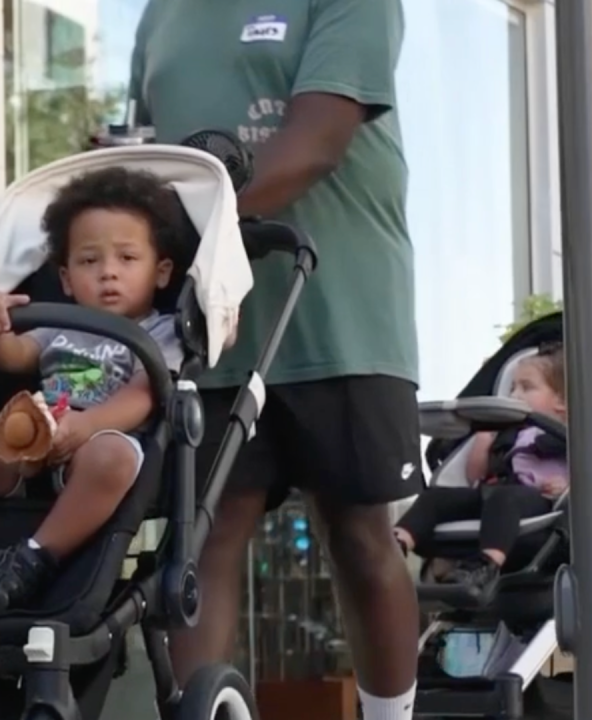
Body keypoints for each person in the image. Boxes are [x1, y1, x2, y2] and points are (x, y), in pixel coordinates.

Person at [128, 1, 423, 718]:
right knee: (206, 529)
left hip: (340, 308)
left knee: (357, 532)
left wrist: (195, 233)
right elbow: (145, 151)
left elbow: (318, 140)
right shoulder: (161, 14)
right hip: (217, 321)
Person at [0, 167, 185, 615]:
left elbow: (144, 396)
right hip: (30, 438)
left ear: (161, 272)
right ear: (66, 278)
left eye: (127, 259)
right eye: (90, 261)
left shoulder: (159, 331)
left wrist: (86, 426)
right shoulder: (56, 324)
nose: (108, 273)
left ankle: (34, 558)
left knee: (115, 459)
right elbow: (14, 357)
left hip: (98, 438)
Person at [395, 344, 567, 596]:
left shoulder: (569, 433)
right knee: (436, 497)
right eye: (512, 388)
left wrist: (567, 486)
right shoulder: (509, 433)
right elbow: (474, 475)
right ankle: (395, 544)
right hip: (494, 494)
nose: (515, 395)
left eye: (526, 388)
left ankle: (484, 566)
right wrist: (485, 437)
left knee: (504, 498)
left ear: (561, 400)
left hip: (541, 500)